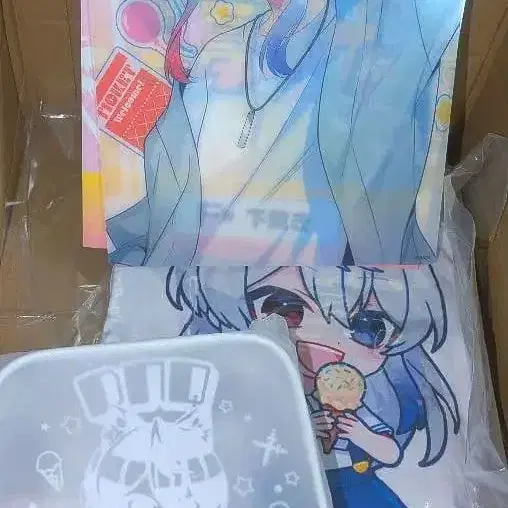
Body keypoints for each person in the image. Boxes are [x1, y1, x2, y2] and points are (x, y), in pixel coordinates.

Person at [107, 0, 465, 266]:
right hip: (184, 297)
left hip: (322, 305)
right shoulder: (210, 52)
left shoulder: (375, 42)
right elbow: (167, 202)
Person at [165, 265, 460, 507]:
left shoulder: (357, 409)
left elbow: (391, 453)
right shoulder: (268, 399)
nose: (324, 342)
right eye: (286, 312)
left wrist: (361, 434)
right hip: (282, 487)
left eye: (369, 327)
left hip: (355, 485)